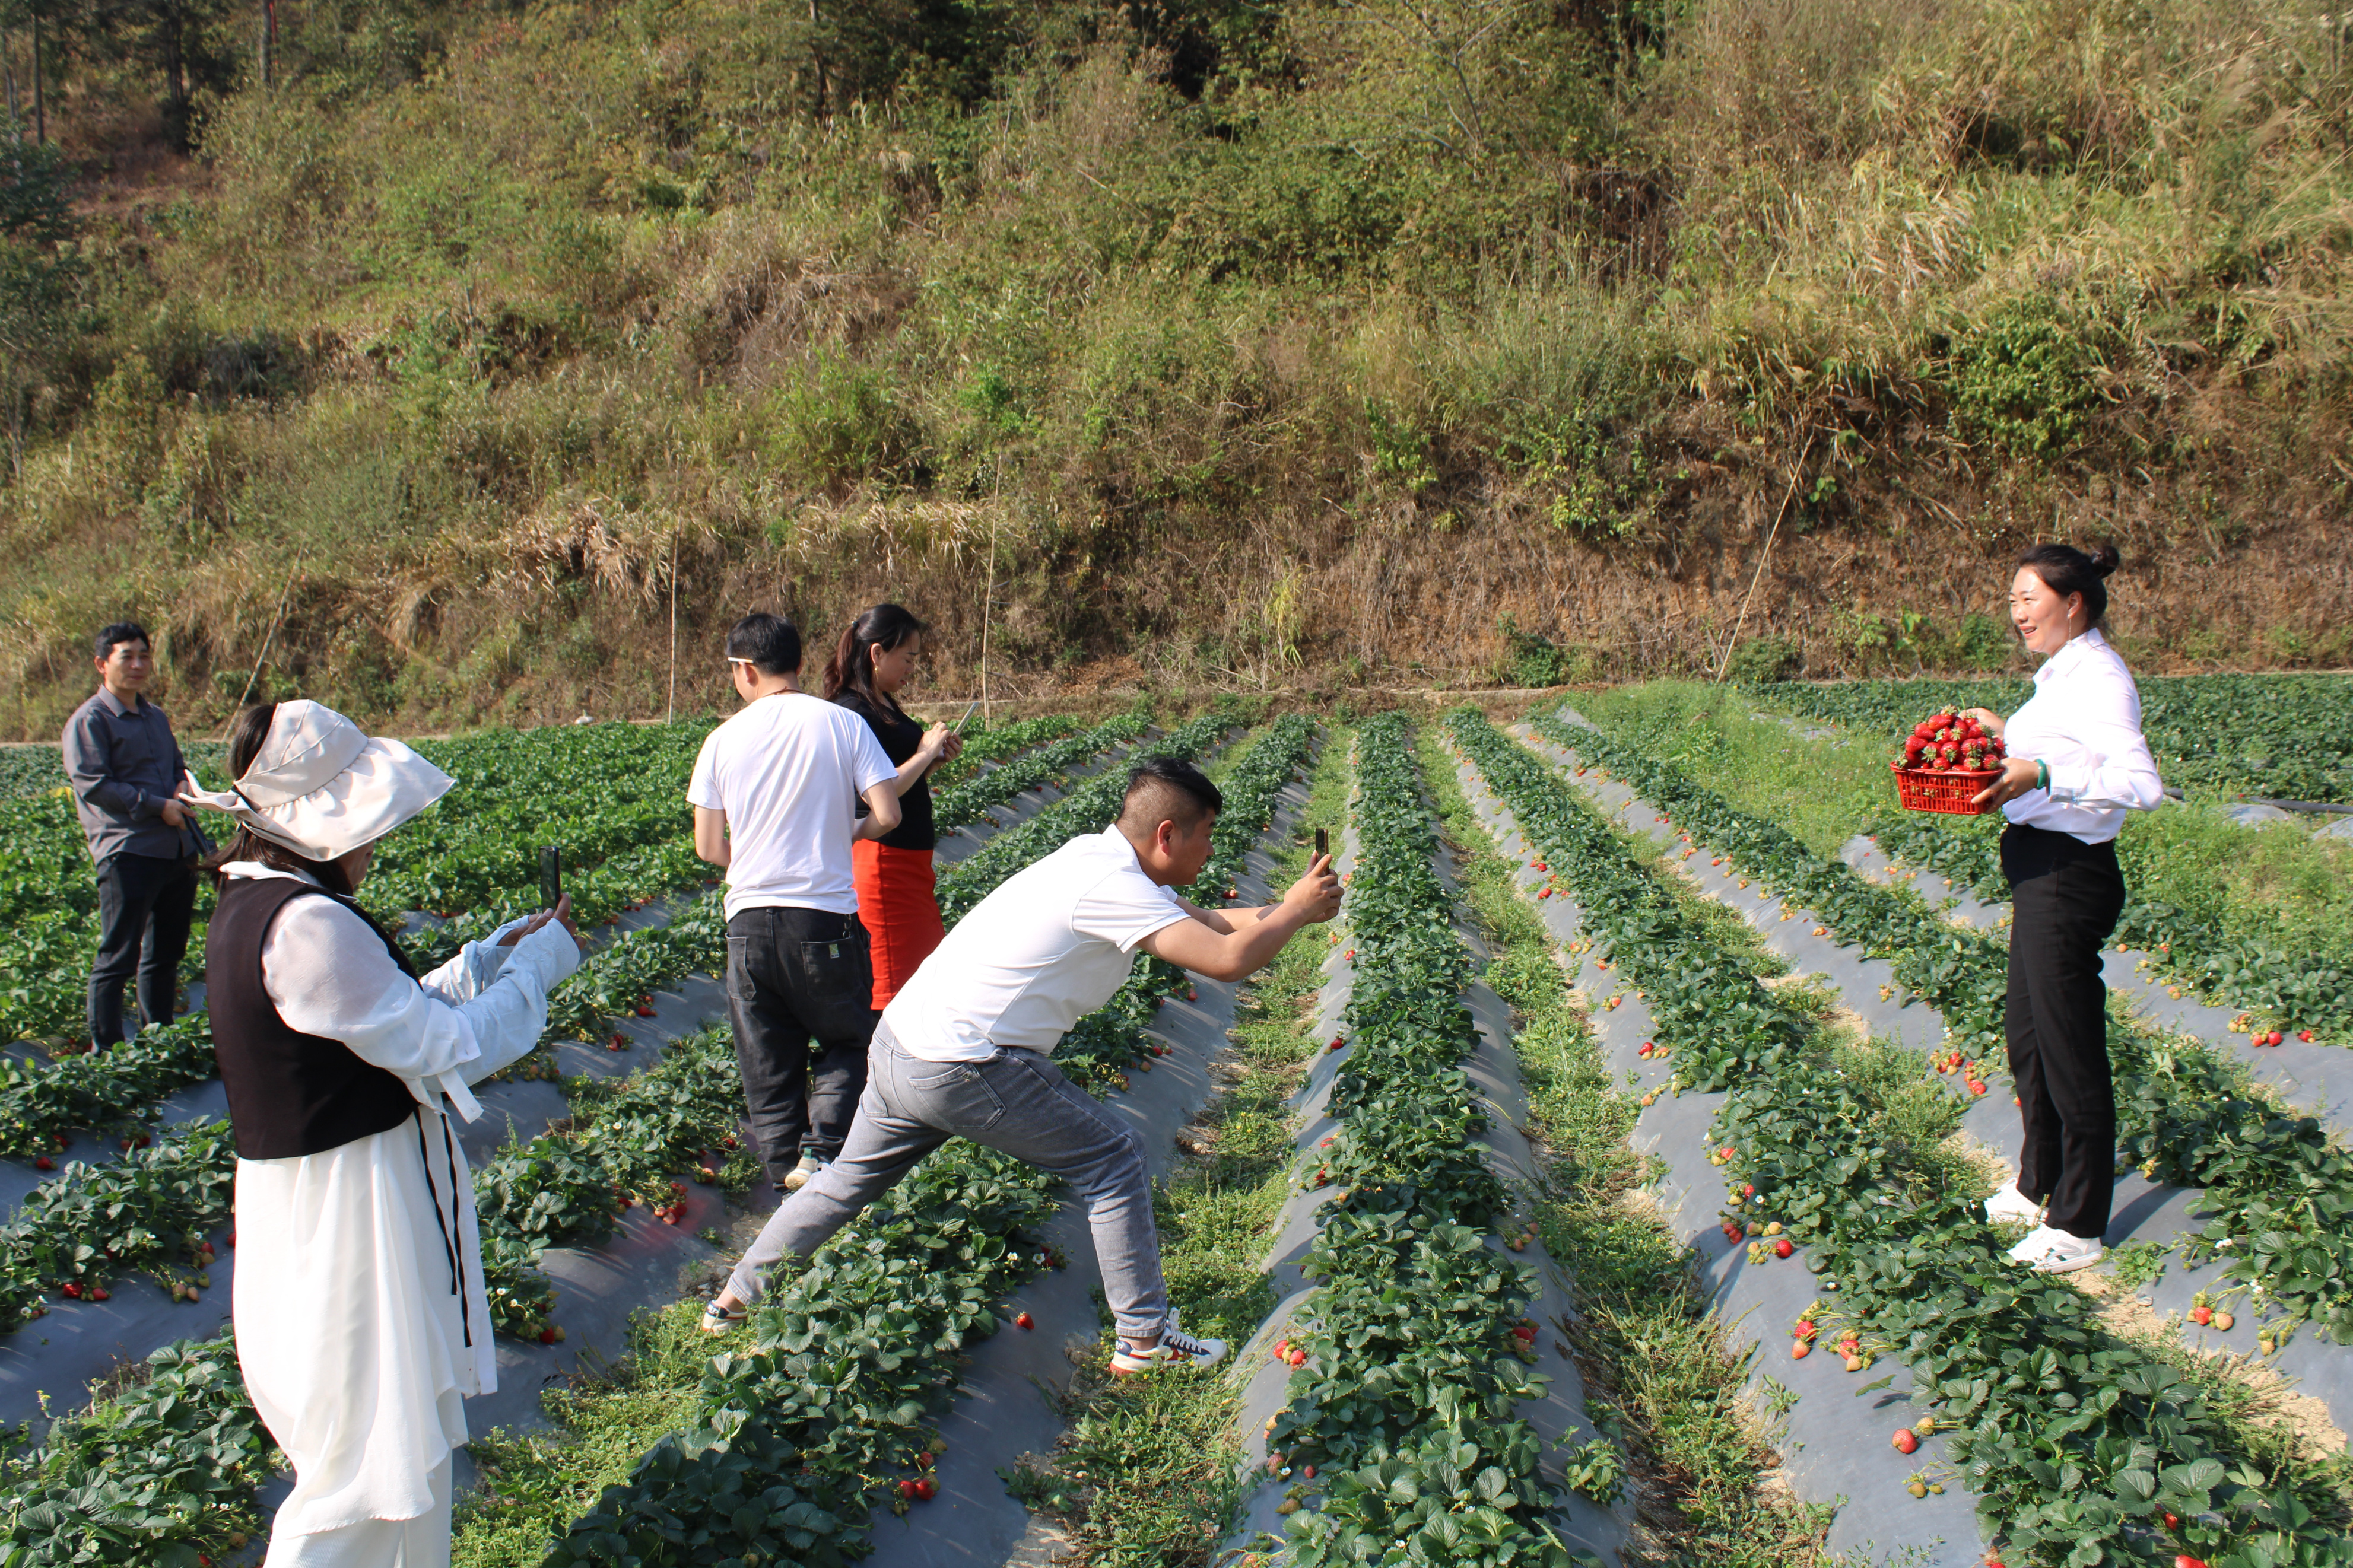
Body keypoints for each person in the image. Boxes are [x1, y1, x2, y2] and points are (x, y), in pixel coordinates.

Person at [699, 756, 1343, 1374]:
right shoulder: (1113, 887)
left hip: (902, 1044)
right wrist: (1291, 913)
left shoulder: (1097, 862)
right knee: (1112, 1156)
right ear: (1166, 834)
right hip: (964, 1061)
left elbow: (1213, 926)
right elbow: (1227, 961)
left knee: (846, 1180)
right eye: (1206, 836)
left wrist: (1291, 909)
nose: (1210, 851)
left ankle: (734, 1299)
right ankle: (1144, 1340)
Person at [175, 699, 583, 1566]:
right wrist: (542, 964)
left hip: (331, 1202)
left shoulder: (265, 905)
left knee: (397, 1455)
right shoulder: (306, 924)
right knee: (361, 1468)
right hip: (344, 1222)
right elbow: (450, 1045)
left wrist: (486, 955)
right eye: (366, 823)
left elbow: (382, 1012)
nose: (373, 844)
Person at [1966, 543, 2164, 1274]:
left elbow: (2138, 785)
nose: (2016, 612)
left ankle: (2078, 1223)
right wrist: (2005, 735)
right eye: (2012, 599)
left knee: (2068, 1046)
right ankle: (2034, 1182)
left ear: (2071, 602)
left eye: (2027, 598)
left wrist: (2039, 768)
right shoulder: (2061, 676)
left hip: (2067, 875)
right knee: (2028, 1039)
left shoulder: (2101, 678)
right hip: (2035, 868)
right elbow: (2049, 749)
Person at [690, 611, 904, 1195]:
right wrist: (842, 835)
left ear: (743, 670)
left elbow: (710, 847)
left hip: (749, 923)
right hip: (825, 918)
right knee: (848, 1038)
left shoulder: (719, 740)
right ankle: (823, 1151)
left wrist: (759, 856)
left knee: (767, 1057)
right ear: (799, 665)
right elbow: (888, 814)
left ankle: (782, 1177)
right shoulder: (840, 725)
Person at [62, 621, 206, 1048]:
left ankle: (157, 1038)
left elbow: (177, 766)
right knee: (118, 956)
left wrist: (181, 788)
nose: (139, 664)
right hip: (128, 850)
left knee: (165, 953)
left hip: (175, 848)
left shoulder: (154, 716)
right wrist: (158, 805)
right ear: (102, 664)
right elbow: (94, 783)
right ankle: (106, 1049)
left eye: (144, 655)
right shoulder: (90, 720)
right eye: (128, 656)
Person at [821, 603, 965, 1010]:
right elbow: (875, 795)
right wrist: (922, 754)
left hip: (908, 864)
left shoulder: (880, 701)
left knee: (919, 977)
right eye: (908, 657)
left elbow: (895, 779)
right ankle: (882, 1068)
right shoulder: (853, 711)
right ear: (877, 653)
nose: (912, 668)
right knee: (896, 987)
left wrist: (932, 760)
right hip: (885, 864)